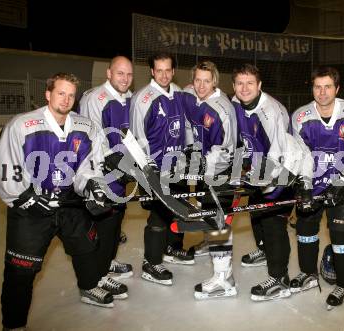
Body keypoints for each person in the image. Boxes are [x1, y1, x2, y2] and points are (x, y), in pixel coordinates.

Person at [0, 73, 117, 330]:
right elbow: (5, 168)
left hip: (69, 203)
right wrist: (25, 198)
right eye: (61, 93)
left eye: (71, 95)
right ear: (48, 94)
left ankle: (89, 287)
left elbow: (86, 166)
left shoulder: (84, 126)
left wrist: (91, 184)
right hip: (31, 206)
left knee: (87, 249)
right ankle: (14, 324)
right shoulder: (22, 125)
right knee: (20, 270)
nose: (66, 99)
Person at [290, 66, 344, 310]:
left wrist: (341, 183)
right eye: (318, 87)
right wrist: (304, 186)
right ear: (312, 88)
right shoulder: (300, 117)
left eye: (328, 87)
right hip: (314, 184)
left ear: (337, 88)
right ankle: (308, 273)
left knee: (341, 237)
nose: (322, 92)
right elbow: (300, 154)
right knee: (305, 230)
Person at [232, 63, 314, 301]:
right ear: (234, 85)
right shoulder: (236, 104)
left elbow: (277, 157)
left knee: (272, 220)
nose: (244, 88)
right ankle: (265, 251)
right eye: (240, 83)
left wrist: (257, 179)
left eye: (250, 83)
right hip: (261, 166)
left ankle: (279, 279)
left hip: (287, 168)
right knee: (256, 213)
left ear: (259, 85)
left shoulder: (272, 112)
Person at [130, 52, 194, 286]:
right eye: (159, 70)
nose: (164, 75)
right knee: (157, 216)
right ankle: (151, 262)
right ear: (152, 71)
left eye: (168, 70)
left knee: (178, 209)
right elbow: (137, 137)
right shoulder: (142, 98)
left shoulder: (180, 93)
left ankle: (173, 248)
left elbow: (186, 125)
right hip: (155, 167)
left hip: (178, 164)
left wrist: (189, 152)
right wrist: (146, 170)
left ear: (173, 71)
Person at [78, 56, 134, 297]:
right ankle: (97, 278)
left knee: (115, 221)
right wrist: (109, 164)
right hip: (102, 172)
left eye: (129, 74)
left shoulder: (129, 98)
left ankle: (106, 263)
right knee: (103, 225)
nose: (125, 78)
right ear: (109, 73)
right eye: (120, 73)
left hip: (120, 170)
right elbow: (91, 138)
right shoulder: (96, 99)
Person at [182, 60, 238, 299]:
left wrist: (204, 164)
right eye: (197, 80)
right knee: (210, 215)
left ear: (215, 81)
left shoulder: (222, 110)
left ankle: (224, 280)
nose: (201, 85)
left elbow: (226, 149)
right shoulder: (193, 96)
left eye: (206, 81)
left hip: (221, 173)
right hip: (206, 170)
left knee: (219, 221)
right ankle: (214, 252)